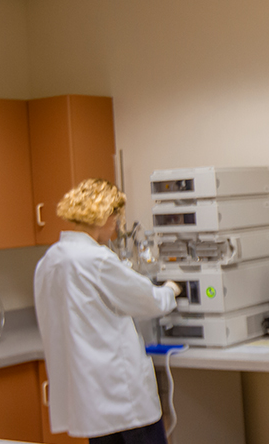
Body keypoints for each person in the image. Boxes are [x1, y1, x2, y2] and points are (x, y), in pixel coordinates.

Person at [34, 178, 182, 444]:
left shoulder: (50, 260)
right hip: (122, 395)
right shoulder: (96, 259)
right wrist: (171, 289)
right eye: (115, 217)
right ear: (103, 216)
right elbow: (147, 299)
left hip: (91, 401)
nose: (116, 226)